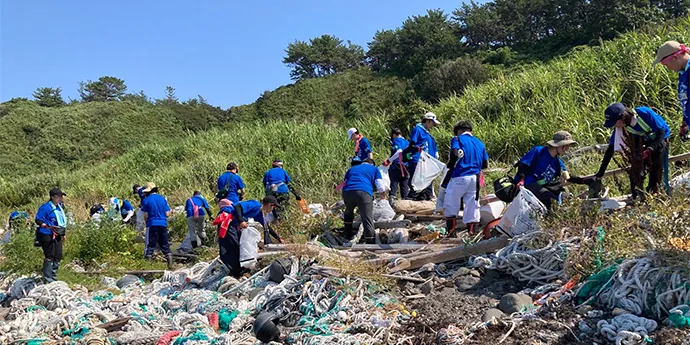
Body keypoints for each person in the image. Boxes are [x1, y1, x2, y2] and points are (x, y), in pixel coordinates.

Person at [595, 103, 671, 197]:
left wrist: (650, 149)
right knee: (636, 166)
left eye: (614, 122)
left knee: (656, 162)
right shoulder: (620, 128)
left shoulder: (644, 113)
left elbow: (661, 133)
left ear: (622, 117)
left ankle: (653, 190)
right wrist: (601, 172)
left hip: (660, 137)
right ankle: (637, 193)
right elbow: (611, 148)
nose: (615, 126)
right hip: (643, 138)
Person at [514, 131, 593, 210]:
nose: (566, 149)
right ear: (557, 145)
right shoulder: (538, 151)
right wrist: (521, 180)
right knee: (551, 200)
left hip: (543, 187)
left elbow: (568, 178)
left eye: (567, 146)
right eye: (565, 146)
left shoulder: (558, 163)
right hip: (528, 185)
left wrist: (584, 181)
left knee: (566, 198)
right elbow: (523, 165)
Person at [441, 121, 489, 238]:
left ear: (459, 130)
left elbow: (454, 153)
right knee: (473, 205)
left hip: (459, 176)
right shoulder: (480, 143)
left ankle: (451, 233)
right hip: (475, 178)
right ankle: (473, 234)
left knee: (451, 204)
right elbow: (485, 164)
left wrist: (450, 165)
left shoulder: (457, 140)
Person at [214, 196, 281, 277]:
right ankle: (236, 271)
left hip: (234, 224)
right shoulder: (255, 205)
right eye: (273, 207)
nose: (272, 210)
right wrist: (241, 221)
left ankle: (238, 270)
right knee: (233, 245)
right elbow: (238, 206)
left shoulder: (259, 213)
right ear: (270, 205)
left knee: (239, 245)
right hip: (228, 220)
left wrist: (278, 238)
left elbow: (266, 226)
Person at [342, 158, 387, 244]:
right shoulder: (374, 169)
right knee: (367, 218)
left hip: (347, 191)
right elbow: (380, 185)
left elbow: (344, 182)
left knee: (348, 212)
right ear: (372, 164)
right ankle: (370, 242)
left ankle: (347, 235)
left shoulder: (351, 169)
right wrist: (383, 196)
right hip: (363, 192)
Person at [654, 41, 689, 141]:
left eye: (665, 64)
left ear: (675, 58)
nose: (668, 68)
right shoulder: (683, 73)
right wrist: (685, 122)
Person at [402, 112, 441, 200]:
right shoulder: (418, 129)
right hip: (418, 160)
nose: (433, 126)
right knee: (417, 182)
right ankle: (411, 198)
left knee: (426, 182)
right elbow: (413, 143)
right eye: (432, 123)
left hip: (425, 162)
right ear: (428, 121)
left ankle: (425, 197)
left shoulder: (427, 133)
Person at [34, 188, 67, 283]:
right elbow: (38, 219)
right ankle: (48, 279)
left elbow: (61, 222)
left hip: (58, 233)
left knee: (58, 254)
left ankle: (53, 276)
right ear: (52, 197)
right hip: (46, 234)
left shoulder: (59, 207)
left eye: (61, 196)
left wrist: (63, 234)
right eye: (58, 197)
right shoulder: (45, 207)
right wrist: (45, 225)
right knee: (50, 255)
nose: (60, 198)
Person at [140, 182, 174, 268]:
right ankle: (170, 263)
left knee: (150, 245)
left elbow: (146, 215)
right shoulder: (162, 199)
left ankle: (148, 265)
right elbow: (167, 214)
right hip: (163, 223)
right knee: (165, 244)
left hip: (152, 224)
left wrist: (146, 223)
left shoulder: (146, 200)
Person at [384, 128, 410, 201]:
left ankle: (391, 202)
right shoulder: (407, 142)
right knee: (404, 185)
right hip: (406, 166)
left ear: (394, 134)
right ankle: (405, 203)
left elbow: (399, 151)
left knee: (394, 184)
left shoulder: (396, 141)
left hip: (397, 165)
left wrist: (389, 161)